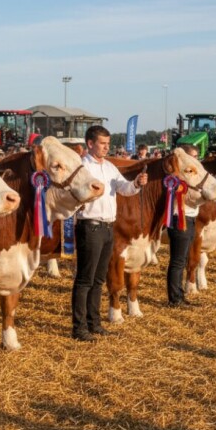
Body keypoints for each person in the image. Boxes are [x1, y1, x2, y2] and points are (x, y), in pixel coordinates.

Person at [72, 125, 147, 342]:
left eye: (108, 143)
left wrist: (136, 184)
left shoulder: (110, 167)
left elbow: (124, 188)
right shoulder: (82, 167)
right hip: (90, 226)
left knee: (98, 279)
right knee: (85, 279)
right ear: (90, 144)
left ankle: (94, 323)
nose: (107, 147)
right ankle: (79, 327)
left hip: (107, 228)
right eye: (103, 143)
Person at [167, 144, 202, 301]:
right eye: (193, 157)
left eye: (196, 157)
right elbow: (194, 197)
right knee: (178, 261)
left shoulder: (193, 176)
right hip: (180, 219)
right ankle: (175, 297)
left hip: (191, 219)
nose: (196, 160)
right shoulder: (178, 179)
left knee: (182, 260)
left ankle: (179, 295)